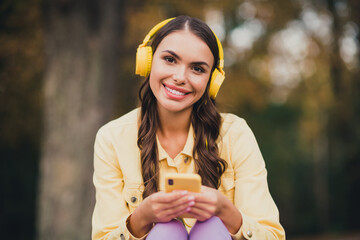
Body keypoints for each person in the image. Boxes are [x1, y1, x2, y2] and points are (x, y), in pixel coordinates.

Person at [92, 15, 285, 240]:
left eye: (197, 69)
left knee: (211, 227)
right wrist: (141, 217)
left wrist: (225, 211)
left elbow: (272, 236)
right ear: (147, 61)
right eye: (170, 59)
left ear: (212, 81)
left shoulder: (235, 134)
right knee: (165, 231)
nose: (180, 77)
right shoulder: (112, 138)